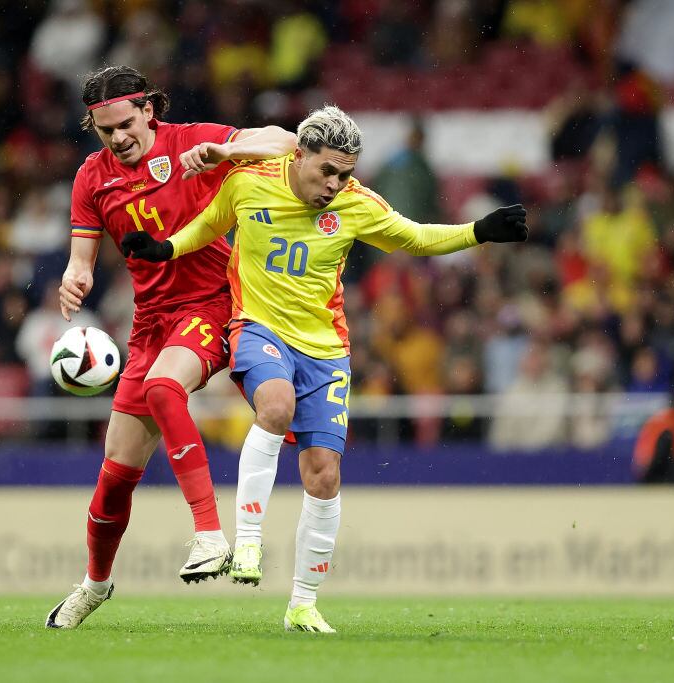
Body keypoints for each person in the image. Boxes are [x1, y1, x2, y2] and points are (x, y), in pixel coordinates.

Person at [125, 105, 527, 632]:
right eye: (327, 171)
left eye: (345, 173)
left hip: (325, 349)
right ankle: (248, 543)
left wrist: (478, 231)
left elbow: (414, 237)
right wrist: (165, 248)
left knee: (324, 475)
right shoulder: (249, 182)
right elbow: (209, 225)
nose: (335, 184)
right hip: (258, 327)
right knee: (275, 405)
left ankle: (303, 605)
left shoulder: (357, 205)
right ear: (300, 155)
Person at [46, 66, 296, 629]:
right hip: (150, 325)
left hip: (213, 303)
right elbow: (81, 259)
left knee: (164, 388)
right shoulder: (91, 178)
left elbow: (287, 143)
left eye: (126, 125)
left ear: (149, 111)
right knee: (114, 476)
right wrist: (74, 277)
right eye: (106, 130)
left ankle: (209, 533)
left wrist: (226, 152)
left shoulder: (192, 141)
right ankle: (95, 584)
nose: (118, 138)